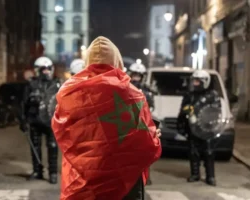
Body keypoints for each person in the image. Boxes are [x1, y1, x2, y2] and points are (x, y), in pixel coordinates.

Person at [52, 36, 162, 200]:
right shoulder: (131, 94)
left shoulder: (68, 93)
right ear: (117, 61)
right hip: (123, 186)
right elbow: (146, 145)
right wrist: (154, 137)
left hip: (82, 183)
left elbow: (62, 133)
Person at [19, 56, 59, 184]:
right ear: (38, 70)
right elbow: (23, 103)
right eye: (44, 69)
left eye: (48, 68)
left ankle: (53, 172)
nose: (46, 71)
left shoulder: (57, 84)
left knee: (52, 147)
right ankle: (37, 171)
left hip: (51, 121)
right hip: (35, 120)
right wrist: (23, 120)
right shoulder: (31, 85)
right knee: (35, 147)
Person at [177, 70, 221, 186]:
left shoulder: (212, 95)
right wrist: (187, 112)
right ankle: (195, 174)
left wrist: (208, 119)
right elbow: (183, 109)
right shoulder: (189, 95)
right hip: (193, 127)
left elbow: (216, 110)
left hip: (207, 128)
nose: (195, 83)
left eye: (197, 81)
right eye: (194, 81)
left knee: (209, 152)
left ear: (205, 82)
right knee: (193, 152)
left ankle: (210, 176)